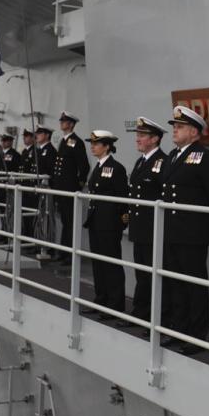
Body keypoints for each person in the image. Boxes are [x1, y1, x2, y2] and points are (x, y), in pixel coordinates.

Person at [160, 106, 209, 354]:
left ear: (194, 132)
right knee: (176, 283)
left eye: (179, 127)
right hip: (172, 231)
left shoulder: (204, 157)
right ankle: (179, 330)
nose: (174, 131)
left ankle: (197, 336)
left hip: (192, 233)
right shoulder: (172, 156)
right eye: (174, 127)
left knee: (194, 285)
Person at [122, 117, 169, 326]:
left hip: (153, 228)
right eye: (138, 135)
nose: (137, 139)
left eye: (142, 136)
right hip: (140, 227)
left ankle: (153, 315)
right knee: (141, 272)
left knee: (152, 273)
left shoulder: (162, 162)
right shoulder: (141, 161)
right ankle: (141, 312)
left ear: (155, 139)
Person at [81, 131, 129, 320]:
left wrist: (122, 219)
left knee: (111, 264)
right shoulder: (99, 166)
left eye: (97, 143)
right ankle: (101, 299)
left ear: (107, 146)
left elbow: (122, 196)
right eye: (92, 143)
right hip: (96, 221)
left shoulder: (116, 168)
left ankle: (115, 305)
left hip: (110, 224)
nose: (93, 146)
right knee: (98, 263)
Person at [52, 112, 91, 262]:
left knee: (70, 222)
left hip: (69, 188)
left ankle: (70, 254)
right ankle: (63, 251)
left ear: (71, 124)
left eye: (65, 121)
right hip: (61, 188)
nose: (61, 123)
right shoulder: (64, 141)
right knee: (64, 220)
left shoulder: (75, 141)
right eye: (61, 120)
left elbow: (84, 166)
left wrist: (78, 185)